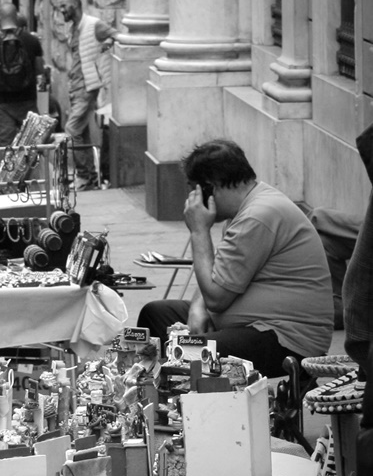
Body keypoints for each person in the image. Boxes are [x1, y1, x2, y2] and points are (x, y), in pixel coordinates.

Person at [137, 139, 334, 378]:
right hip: (250, 326)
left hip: (285, 338)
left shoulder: (258, 216)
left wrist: (199, 231)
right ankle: (156, 399)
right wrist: (198, 308)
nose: (191, 198)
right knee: (156, 314)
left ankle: (189, 411)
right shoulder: (245, 210)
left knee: (190, 353)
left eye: (194, 189)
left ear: (210, 187)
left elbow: (217, 298)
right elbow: (217, 272)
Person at [58, 0, 118, 190]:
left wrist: (105, 48)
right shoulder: (73, 28)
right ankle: (89, 178)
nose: (61, 10)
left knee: (71, 131)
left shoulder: (93, 25)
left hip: (87, 87)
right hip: (75, 88)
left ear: (74, 6)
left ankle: (85, 176)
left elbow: (117, 36)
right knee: (81, 134)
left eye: (64, 6)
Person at [0, 3, 44, 146]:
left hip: (1, 102)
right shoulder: (32, 40)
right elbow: (39, 69)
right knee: (31, 142)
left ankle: (8, 167)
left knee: (6, 143)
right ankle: (30, 168)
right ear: (16, 16)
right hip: (27, 98)